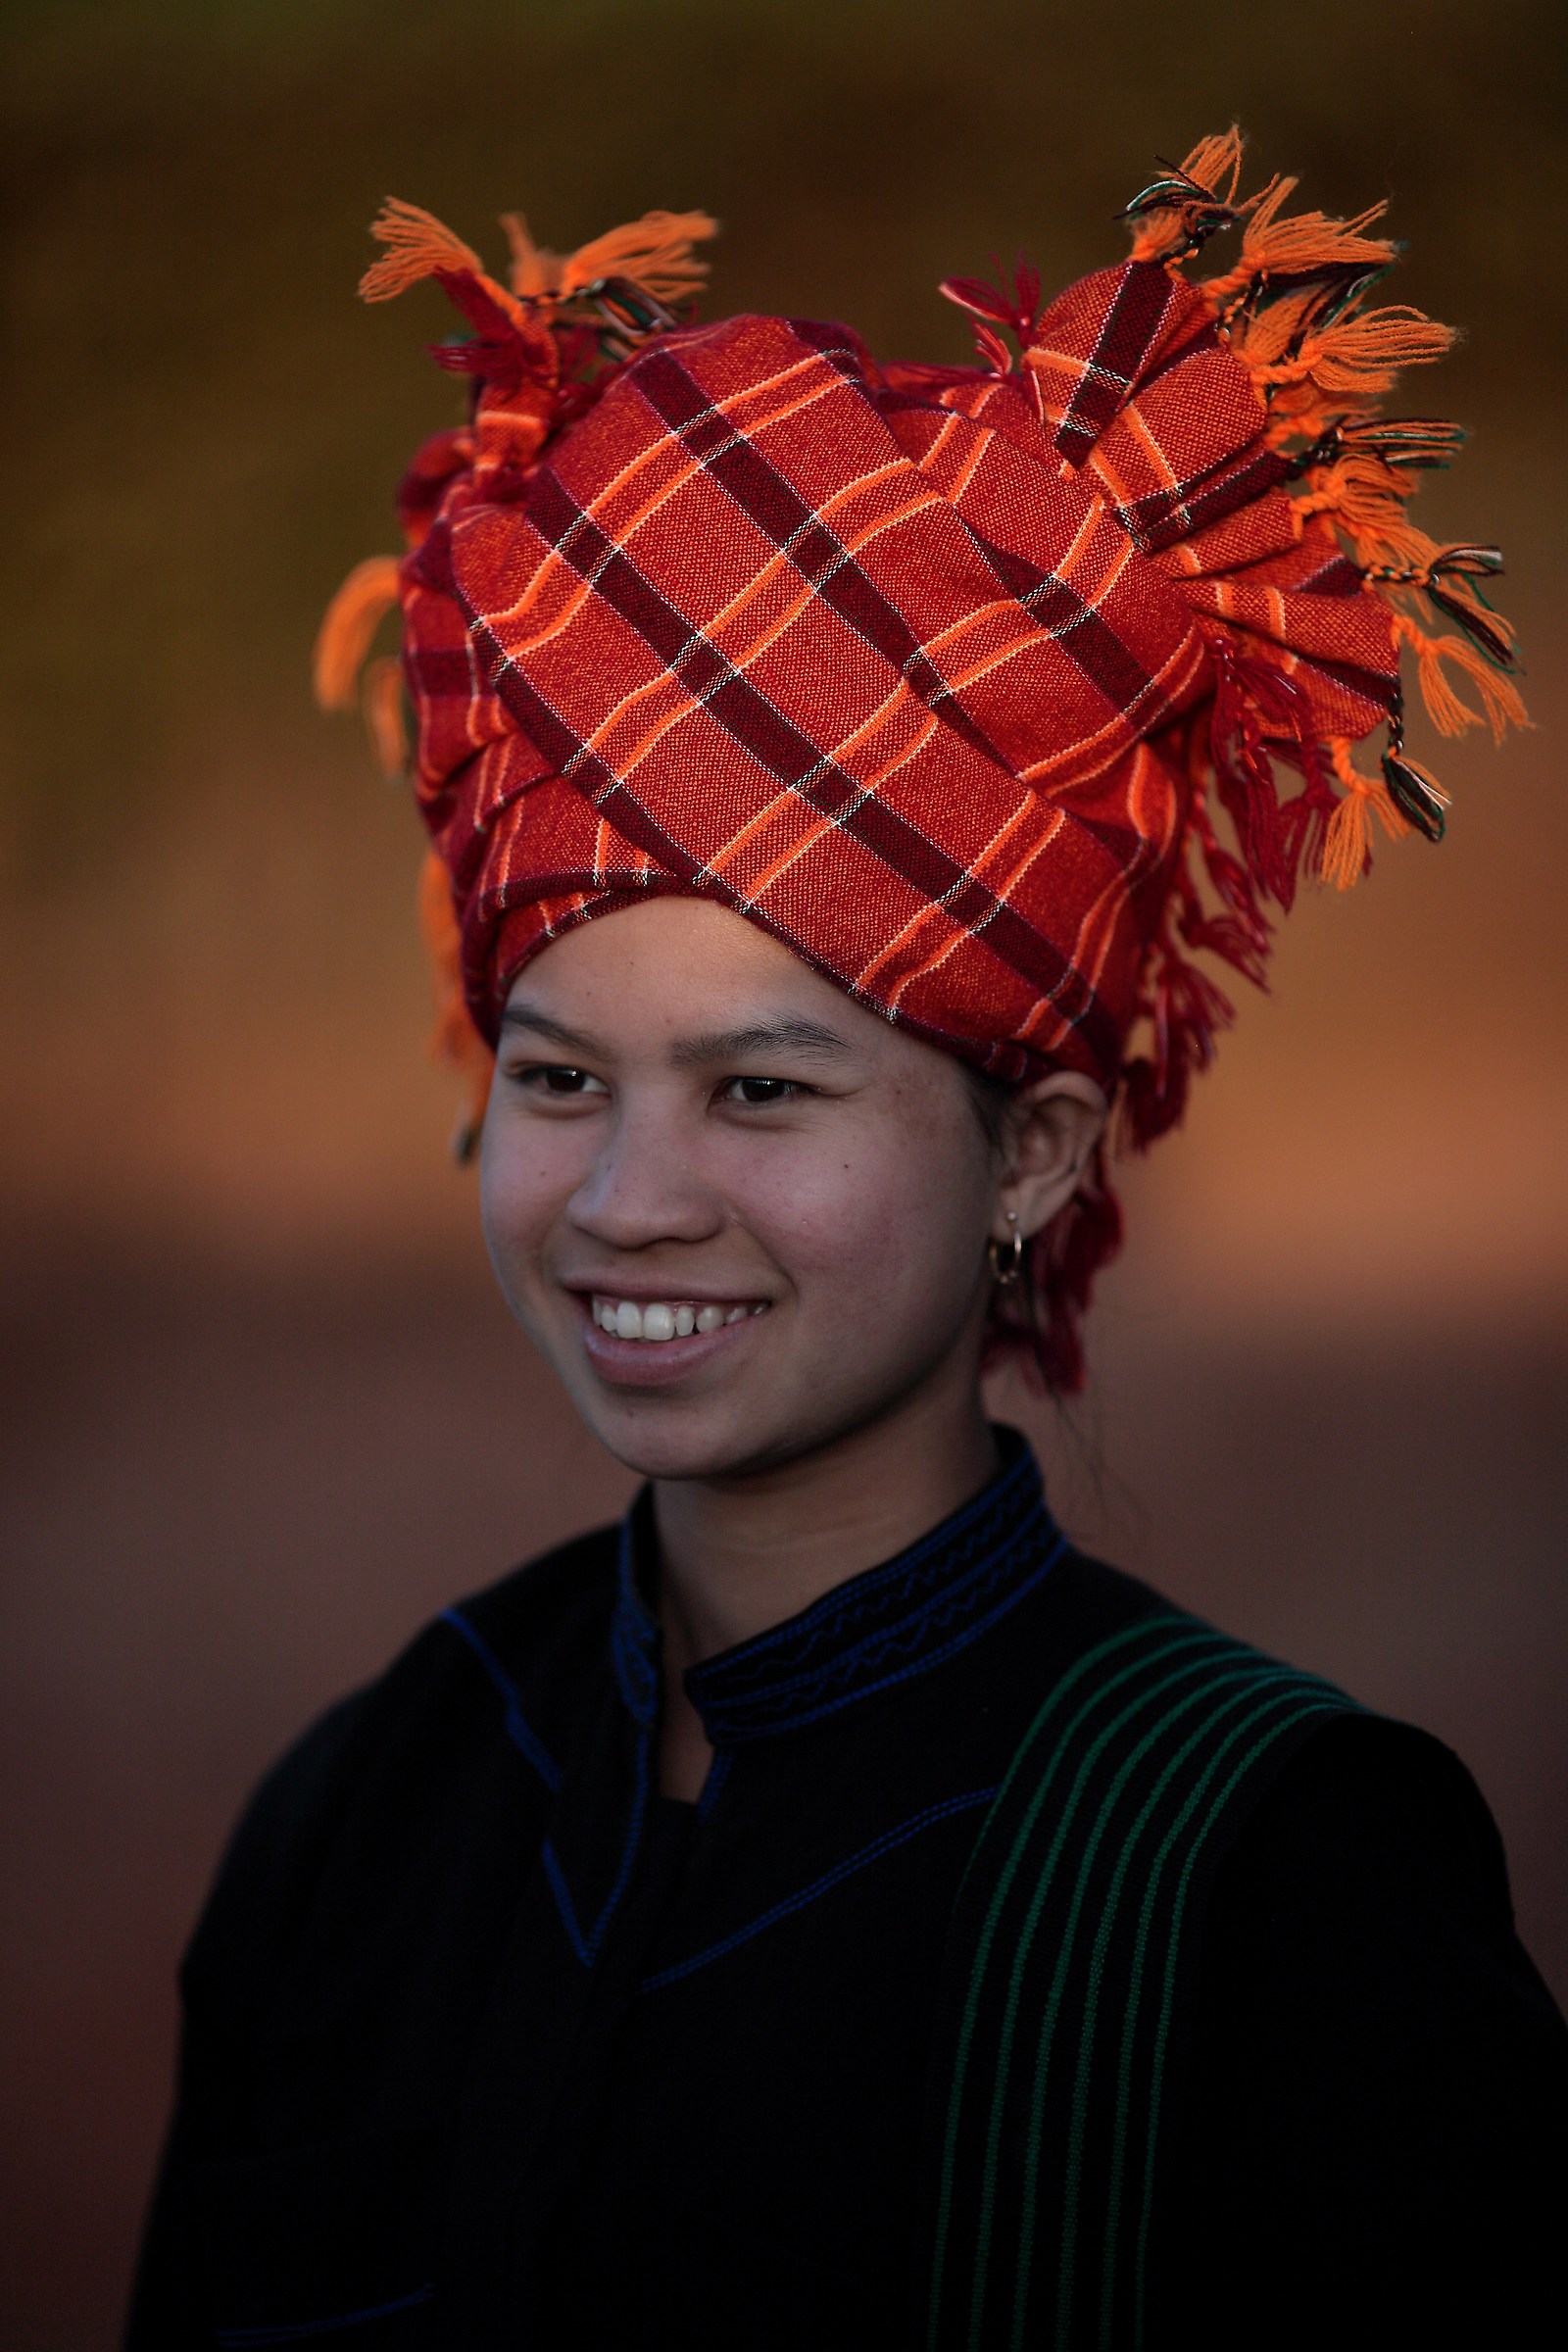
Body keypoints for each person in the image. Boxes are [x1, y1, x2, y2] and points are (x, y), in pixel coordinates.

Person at [126, 131, 1567, 2349]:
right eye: (557, 1074)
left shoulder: (1273, 1876)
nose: (625, 1199)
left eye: (765, 1087)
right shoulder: (375, 1808)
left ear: (1033, 1156)